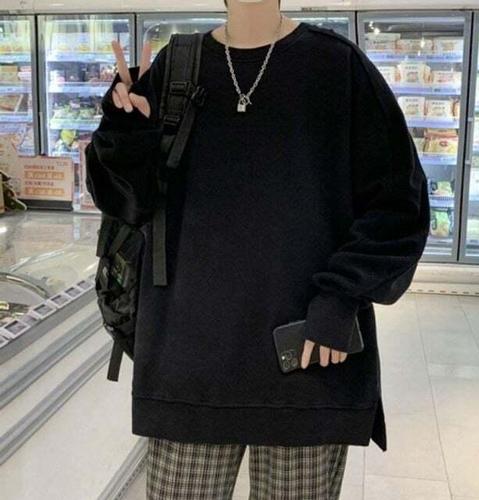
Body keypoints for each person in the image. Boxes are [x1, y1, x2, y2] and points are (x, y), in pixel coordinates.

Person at [85, 0, 431, 498]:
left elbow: (400, 202)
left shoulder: (336, 66)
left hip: (306, 357)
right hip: (189, 361)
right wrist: (124, 135)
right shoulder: (176, 66)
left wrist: (341, 297)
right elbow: (127, 204)